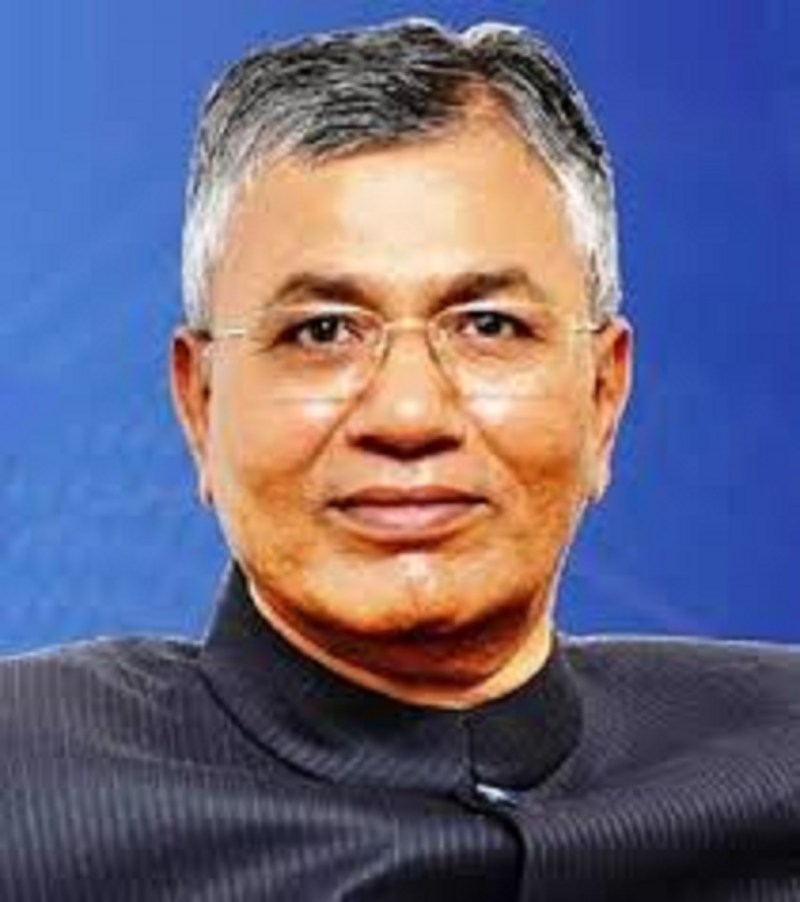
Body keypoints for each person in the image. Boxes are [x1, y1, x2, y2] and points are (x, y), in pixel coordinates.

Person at [2, 17, 798, 901]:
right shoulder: (27, 791)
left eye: (489, 325)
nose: (409, 414)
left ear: (603, 396)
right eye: (322, 332)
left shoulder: (776, 756)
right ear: (201, 405)